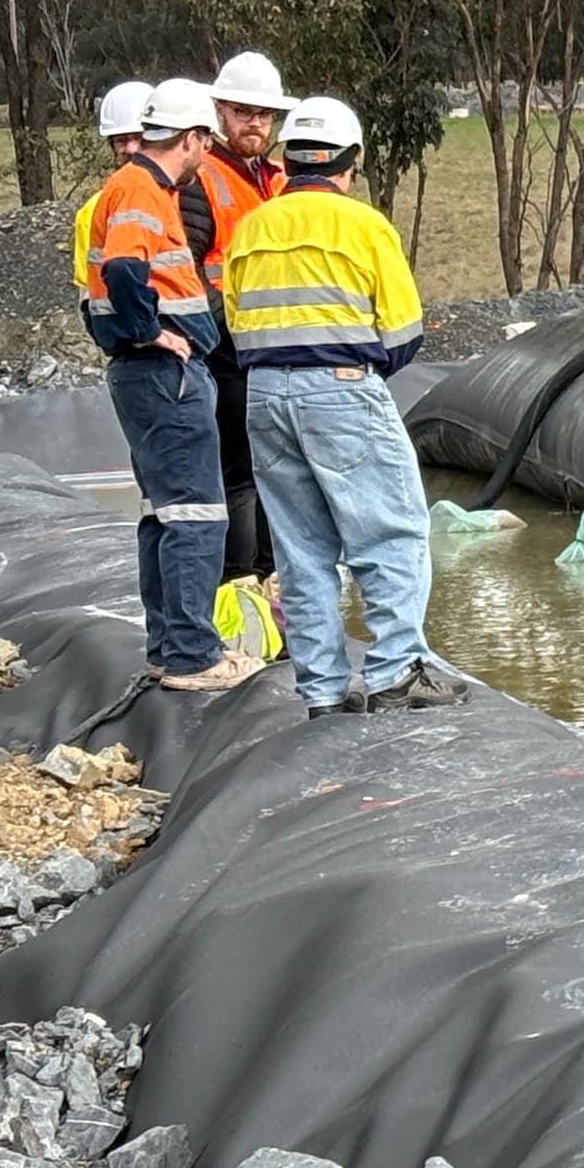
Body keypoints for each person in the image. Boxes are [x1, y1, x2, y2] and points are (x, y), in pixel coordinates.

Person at [225, 96, 460, 714]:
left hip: (264, 395)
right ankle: (393, 671)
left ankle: (323, 689)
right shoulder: (364, 226)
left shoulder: (253, 226)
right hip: (340, 386)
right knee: (393, 532)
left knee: (301, 550)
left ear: (289, 161)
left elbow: (234, 322)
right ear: (350, 163)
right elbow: (404, 333)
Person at [87, 78, 255, 692]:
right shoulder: (141, 191)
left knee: (165, 512)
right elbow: (127, 269)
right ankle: (192, 654)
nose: (205, 155)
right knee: (197, 512)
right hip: (163, 374)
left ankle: (167, 646)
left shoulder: (130, 186)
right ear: (191, 138)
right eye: (204, 144)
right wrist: (151, 332)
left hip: (146, 375)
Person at [180, 52, 289, 586]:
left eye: (265, 115)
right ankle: (240, 589)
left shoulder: (275, 177)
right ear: (220, 111)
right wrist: (218, 335)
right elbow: (190, 269)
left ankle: (271, 586)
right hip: (229, 352)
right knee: (241, 476)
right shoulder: (203, 177)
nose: (256, 124)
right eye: (245, 112)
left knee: (279, 475)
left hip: (274, 348)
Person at [67, 79, 151, 301]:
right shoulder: (92, 212)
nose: (131, 149)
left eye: (139, 138)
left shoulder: (187, 196)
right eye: (121, 141)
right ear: (111, 146)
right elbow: (89, 296)